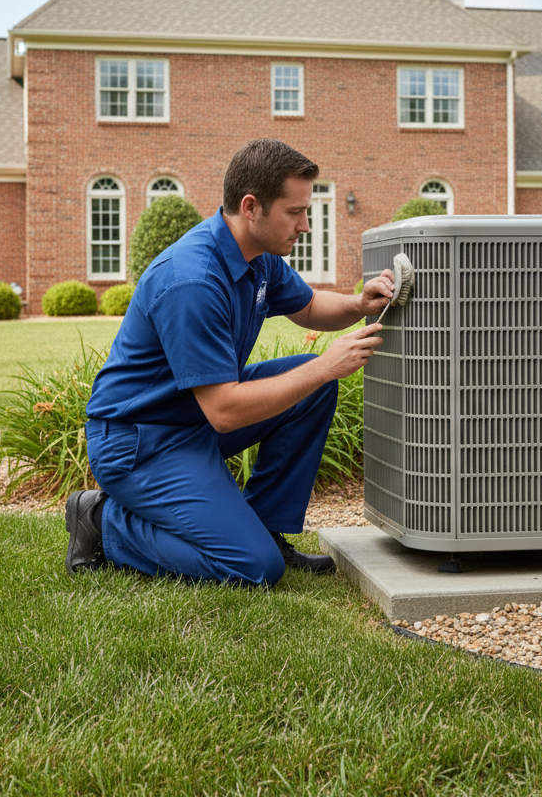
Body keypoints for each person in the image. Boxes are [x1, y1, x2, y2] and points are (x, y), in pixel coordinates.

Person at [65, 138, 395, 586]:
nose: (305, 225)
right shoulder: (193, 280)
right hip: (141, 442)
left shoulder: (257, 257)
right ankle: (103, 522)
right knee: (254, 568)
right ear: (251, 207)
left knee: (313, 390)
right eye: (295, 212)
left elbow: (309, 306)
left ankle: (264, 528)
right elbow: (224, 412)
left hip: (191, 421)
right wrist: (326, 365)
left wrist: (359, 303)